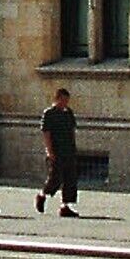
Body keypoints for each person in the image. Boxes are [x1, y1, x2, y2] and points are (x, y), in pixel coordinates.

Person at [38, 86, 82, 217]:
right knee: (55, 178)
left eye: (67, 101)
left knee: (70, 178)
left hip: (69, 150)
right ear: (57, 99)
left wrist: (74, 148)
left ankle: (65, 206)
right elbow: (46, 133)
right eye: (63, 100)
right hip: (56, 150)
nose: (65, 104)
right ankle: (42, 195)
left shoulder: (68, 113)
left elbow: (72, 131)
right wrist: (49, 151)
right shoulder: (49, 113)